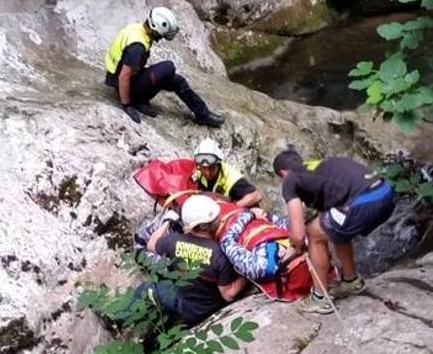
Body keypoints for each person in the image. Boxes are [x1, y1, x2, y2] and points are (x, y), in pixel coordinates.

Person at [273, 149, 395, 314]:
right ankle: (351, 281)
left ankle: (319, 297)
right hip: (385, 192)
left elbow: (299, 234)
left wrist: (294, 247)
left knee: (314, 234)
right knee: (333, 228)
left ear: (282, 173)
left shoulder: (290, 179)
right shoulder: (317, 167)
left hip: (364, 201)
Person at [134, 195, 248, 326]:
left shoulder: (173, 242)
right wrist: (244, 274)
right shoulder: (218, 254)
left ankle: (116, 319)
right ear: (204, 226)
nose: (220, 218)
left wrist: (167, 221)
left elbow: (150, 244)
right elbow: (228, 294)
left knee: (148, 287)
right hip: (210, 308)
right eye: (215, 218)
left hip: (186, 303)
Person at [104, 6, 224, 127]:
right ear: (155, 29)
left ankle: (203, 115)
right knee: (168, 67)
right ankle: (137, 100)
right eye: (161, 35)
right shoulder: (137, 46)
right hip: (123, 85)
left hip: (126, 79)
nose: (161, 38)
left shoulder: (137, 28)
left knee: (177, 81)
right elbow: (123, 76)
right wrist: (126, 105)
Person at [192, 138, 262, 208]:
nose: (208, 172)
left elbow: (256, 196)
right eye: (204, 168)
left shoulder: (231, 177)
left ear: (218, 164)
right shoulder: (196, 171)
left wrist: (231, 207)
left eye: (212, 167)